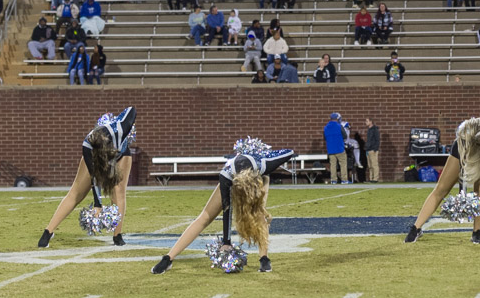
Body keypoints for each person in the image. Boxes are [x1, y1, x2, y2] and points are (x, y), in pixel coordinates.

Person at [151, 144, 296, 275]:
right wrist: (226, 242)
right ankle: (168, 258)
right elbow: (227, 209)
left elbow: (289, 152)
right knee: (205, 217)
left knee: (258, 213)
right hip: (233, 179)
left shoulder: (265, 164)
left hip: (260, 178)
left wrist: (265, 154)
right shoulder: (225, 177)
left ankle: (264, 258)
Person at [404, 105, 480, 245]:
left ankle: (476, 232)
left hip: (479, 153)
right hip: (462, 149)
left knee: (479, 192)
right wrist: (461, 192)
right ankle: (415, 229)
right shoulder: (468, 132)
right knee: (442, 189)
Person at [38, 108, 136, 248]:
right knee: (77, 192)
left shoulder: (120, 130)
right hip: (95, 157)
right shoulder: (87, 147)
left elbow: (132, 110)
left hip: (121, 155)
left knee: (118, 192)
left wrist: (119, 120)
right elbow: (94, 176)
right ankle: (48, 232)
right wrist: (97, 204)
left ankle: (117, 235)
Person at [324, 112, 349, 184]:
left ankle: (333, 180)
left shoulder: (326, 127)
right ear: (337, 118)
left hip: (330, 149)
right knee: (343, 164)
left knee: (333, 165)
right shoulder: (339, 126)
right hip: (339, 148)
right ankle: (344, 180)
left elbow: (325, 137)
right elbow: (345, 136)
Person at [364, 118, 381, 183]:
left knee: (374, 164)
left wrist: (375, 149)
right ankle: (371, 178)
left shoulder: (375, 130)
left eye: (367, 121)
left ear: (371, 122)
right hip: (368, 149)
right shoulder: (369, 130)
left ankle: (375, 178)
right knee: (370, 165)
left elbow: (377, 140)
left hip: (373, 150)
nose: (366, 122)